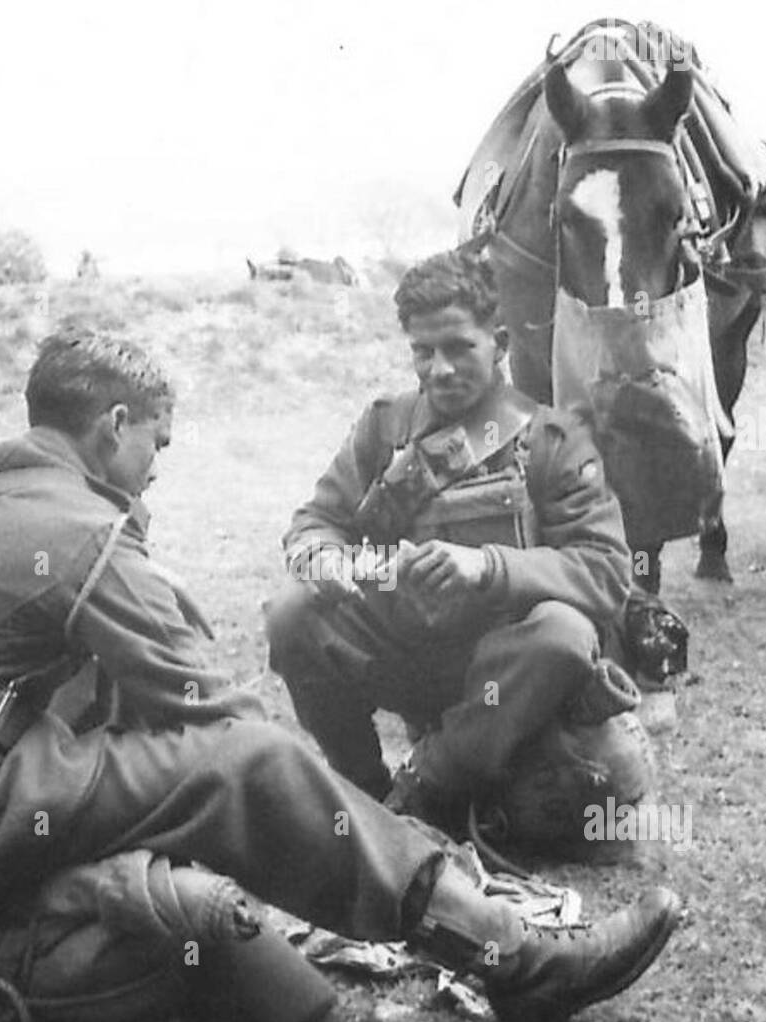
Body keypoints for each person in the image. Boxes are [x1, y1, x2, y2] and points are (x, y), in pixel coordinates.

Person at [0, 327, 679, 1022]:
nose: (157, 466)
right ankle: (514, 959)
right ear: (112, 428)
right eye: (157, 443)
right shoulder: (82, 530)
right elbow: (210, 712)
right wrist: (356, 816)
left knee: (155, 746)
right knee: (249, 758)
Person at [265, 249, 638, 830]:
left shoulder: (551, 441)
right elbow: (317, 518)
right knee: (292, 612)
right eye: (423, 351)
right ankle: (364, 789)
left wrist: (488, 566)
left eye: (460, 347)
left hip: (508, 679)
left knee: (564, 634)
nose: (439, 369)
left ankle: (423, 794)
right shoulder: (386, 426)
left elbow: (607, 571)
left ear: (502, 344)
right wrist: (321, 554)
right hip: (411, 655)